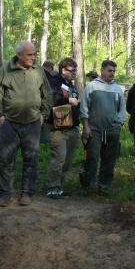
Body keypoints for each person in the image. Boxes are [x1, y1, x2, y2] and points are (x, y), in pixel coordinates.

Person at [0, 41, 52, 207]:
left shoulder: (38, 71)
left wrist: (43, 115)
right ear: (19, 55)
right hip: (10, 123)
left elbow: (47, 94)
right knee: (6, 160)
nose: (33, 58)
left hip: (32, 123)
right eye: (29, 55)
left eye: (34, 54)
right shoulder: (6, 70)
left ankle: (26, 193)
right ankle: (5, 194)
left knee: (31, 160)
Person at [80, 60, 126, 195]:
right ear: (102, 70)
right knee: (92, 158)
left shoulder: (117, 89)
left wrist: (119, 124)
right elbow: (84, 106)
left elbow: (121, 109)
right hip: (94, 130)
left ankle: (104, 186)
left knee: (109, 159)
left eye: (114, 71)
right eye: (109, 70)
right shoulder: (92, 86)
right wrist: (86, 126)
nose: (112, 73)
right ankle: (87, 186)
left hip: (112, 130)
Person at [45, 58, 81, 200]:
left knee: (67, 159)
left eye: (75, 71)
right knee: (59, 158)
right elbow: (51, 103)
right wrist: (67, 101)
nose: (74, 74)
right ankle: (52, 188)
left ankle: (59, 187)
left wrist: (77, 126)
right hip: (56, 128)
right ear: (63, 70)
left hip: (71, 127)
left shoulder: (71, 87)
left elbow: (76, 108)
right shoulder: (54, 84)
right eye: (72, 71)